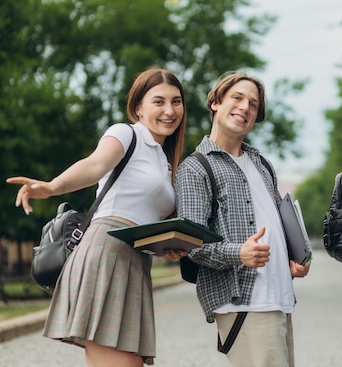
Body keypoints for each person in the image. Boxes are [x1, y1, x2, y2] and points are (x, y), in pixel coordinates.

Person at [6, 68, 187, 367]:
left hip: (136, 261)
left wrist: (172, 246)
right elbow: (95, 164)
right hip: (107, 253)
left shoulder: (165, 162)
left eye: (176, 101)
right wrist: (53, 186)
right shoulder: (126, 134)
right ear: (138, 107)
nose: (169, 110)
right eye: (159, 102)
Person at [173, 71, 311, 367]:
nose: (245, 107)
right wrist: (239, 253)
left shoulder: (262, 164)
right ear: (216, 103)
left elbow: (278, 225)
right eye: (237, 98)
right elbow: (193, 244)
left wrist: (294, 258)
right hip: (244, 300)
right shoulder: (196, 168)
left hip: (279, 297)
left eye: (253, 104)